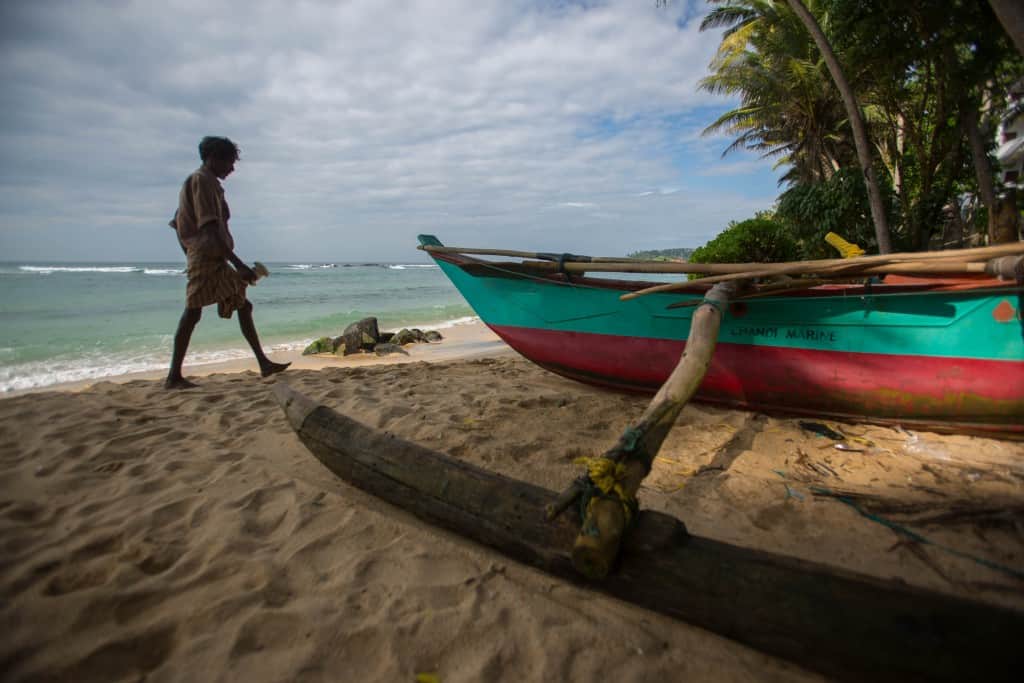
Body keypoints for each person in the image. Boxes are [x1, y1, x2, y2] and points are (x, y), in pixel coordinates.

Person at [165, 136, 289, 389]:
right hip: (207, 257)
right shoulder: (202, 181)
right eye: (229, 162)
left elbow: (177, 223)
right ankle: (173, 377)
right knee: (192, 312)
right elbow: (209, 227)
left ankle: (264, 364)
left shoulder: (206, 183)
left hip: (213, 257)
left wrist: (189, 251)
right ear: (213, 158)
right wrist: (238, 264)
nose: (232, 169)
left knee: (243, 306)